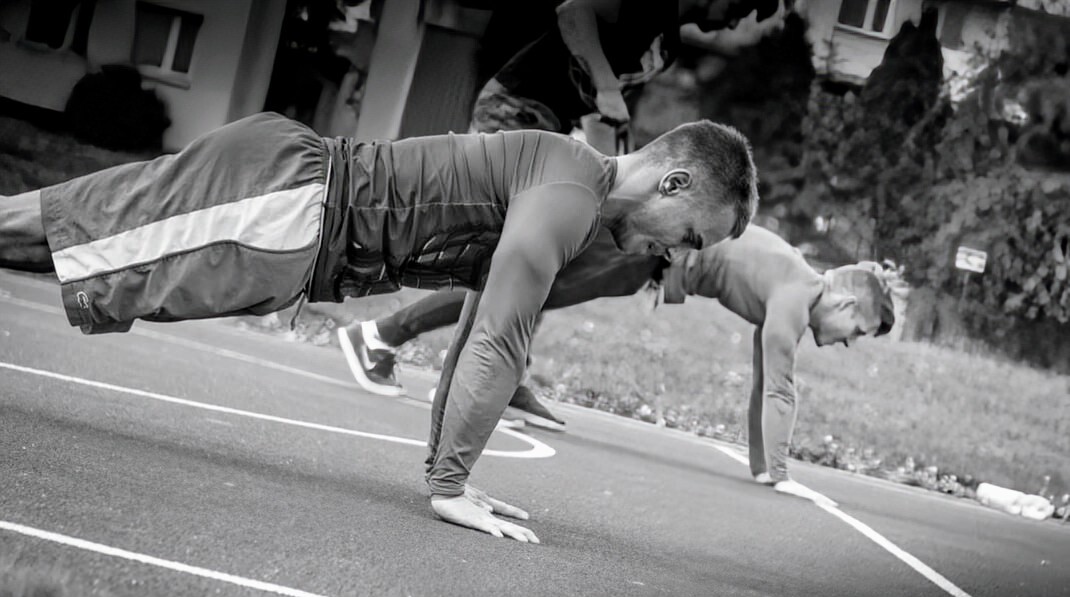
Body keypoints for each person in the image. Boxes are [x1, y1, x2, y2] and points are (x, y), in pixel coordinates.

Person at [0, 110, 759, 542]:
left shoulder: (571, 188)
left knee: (71, 236)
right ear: (674, 181)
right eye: (690, 235)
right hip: (285, 198)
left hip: (288, 212)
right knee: (74, 243)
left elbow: (471, 331)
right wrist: (448, 485)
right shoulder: (568, 195)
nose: (678, 256)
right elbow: (499, 335)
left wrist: (452, 476)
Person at [339, 0, 785, 428]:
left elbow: (600, 118)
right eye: (740, 7)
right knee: (517, 259)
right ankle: (391, 341)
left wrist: (615, 179)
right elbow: (574, 11)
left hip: (562, 127)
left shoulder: (666, 44)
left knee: (554, 256)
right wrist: (607, 86)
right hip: (522, 108)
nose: (733, 20)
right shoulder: (650, 7)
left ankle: (495, 374)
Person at [343, 224, 897, 498]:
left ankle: (481, 372)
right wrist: (777, 477)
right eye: (858, 332)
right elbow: (777, 387)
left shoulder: (793, 282)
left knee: (530, 287)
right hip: (647, 253)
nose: (848, 342)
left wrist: (765, 467)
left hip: (648, 258)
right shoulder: (795, 298)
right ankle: (382, 332)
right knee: (520, 287)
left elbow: (765, 385)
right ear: (845, 303)